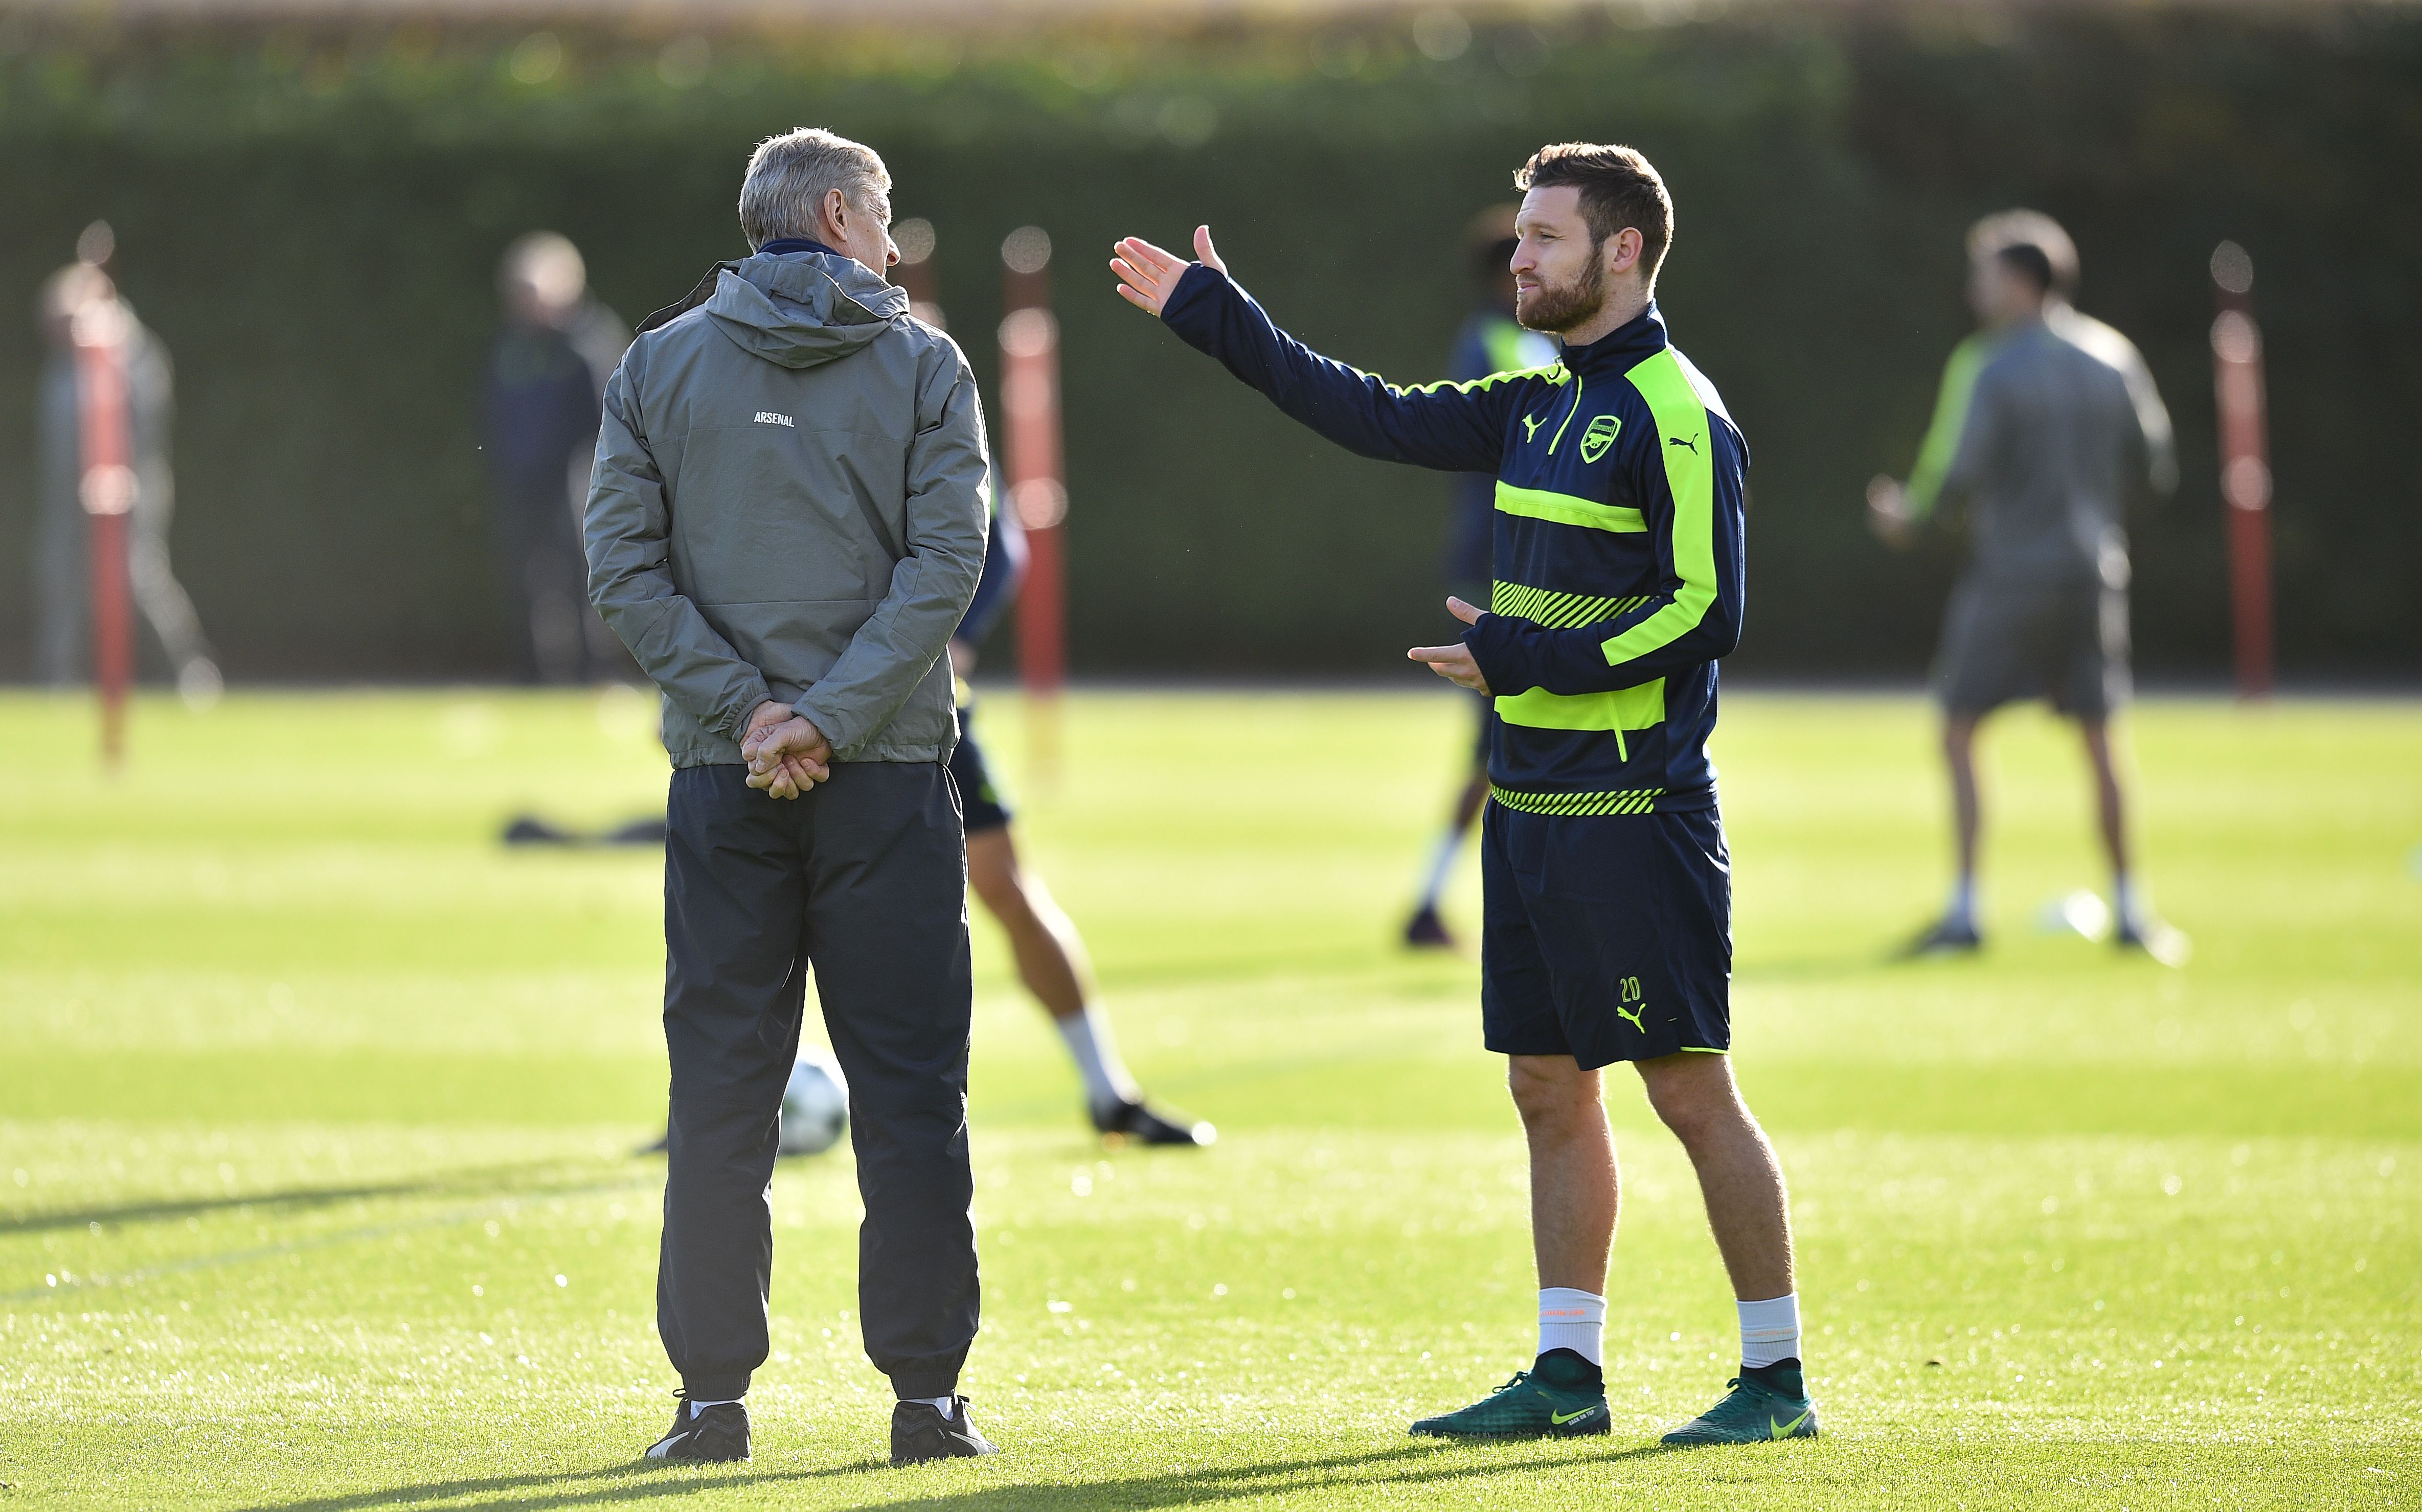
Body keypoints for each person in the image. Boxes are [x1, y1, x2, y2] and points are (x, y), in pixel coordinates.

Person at [1111, 142, 1816, 1448]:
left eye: (1545, 239)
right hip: (1531, 805)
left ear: (1620, 253)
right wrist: (1217, 318)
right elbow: (1367, 412)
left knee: (1684, 1088)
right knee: (1546, 1085)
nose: (1518, 258)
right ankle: (1566, 1372)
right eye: (1520, 238)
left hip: (1632, 809)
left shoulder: (1674, 408)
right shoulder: (1535, 400)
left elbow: (1705, 613)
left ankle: (1773, 1380)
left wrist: (1519, 656)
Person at [585, 127, 998, 1467]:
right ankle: (928, 1403)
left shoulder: (657, 360)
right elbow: (948, 565)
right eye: (886, 221)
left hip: (726, 772)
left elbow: (623, 570)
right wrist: (828, 714)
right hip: (881, 780)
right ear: (836, 215)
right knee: (913, 1095)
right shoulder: (927, 361)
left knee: (717, 1096)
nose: (894, 243)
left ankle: (710, 1404)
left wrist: (755, 712)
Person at [1867, 210, 2185, 964]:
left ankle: (1966, 910)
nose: (1974, 288)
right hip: (2092, 570)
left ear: (2018, 279)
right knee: (2101, 737)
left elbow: (1949, 478)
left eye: (1983, 273)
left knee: (1957, 728)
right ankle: (2133, 909)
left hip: (2009, 574)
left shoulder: (1989, 363)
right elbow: (2156, 467)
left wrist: (1903, 518)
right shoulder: (2115, 355)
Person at [950, 495, 1214, 1145]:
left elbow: (1001, 541)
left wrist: (955, 637)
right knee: (774, 902)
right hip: (787, 697)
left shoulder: (925, 393)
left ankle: (1108, 1093)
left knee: (1007, 887)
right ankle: (715, 1110)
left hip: (921, 702)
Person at [1405, 205, 1559, 950]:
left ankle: (1436, 899)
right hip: (1500, 565)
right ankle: (1453, 902)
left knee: (1505, 746)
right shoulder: (1503, 342)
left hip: (1507, 561)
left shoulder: (1522, 339)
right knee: (1506, 743)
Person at [33, 226, 221, 706]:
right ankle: (56, 682)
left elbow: (147, 424)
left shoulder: (135, 356)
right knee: (61, 578)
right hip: (67, 495)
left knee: (141, 579)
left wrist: (120, 474)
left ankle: (191, 674)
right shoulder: (61, 369)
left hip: (132, 488)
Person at [487, 232, 628, 684]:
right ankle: (534, 674)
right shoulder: (511, 347)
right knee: (528, 577)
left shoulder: (590, 342)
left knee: (586, 577)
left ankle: (596, 673)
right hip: (524, 481)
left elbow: (613, 416)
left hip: (581, 482)